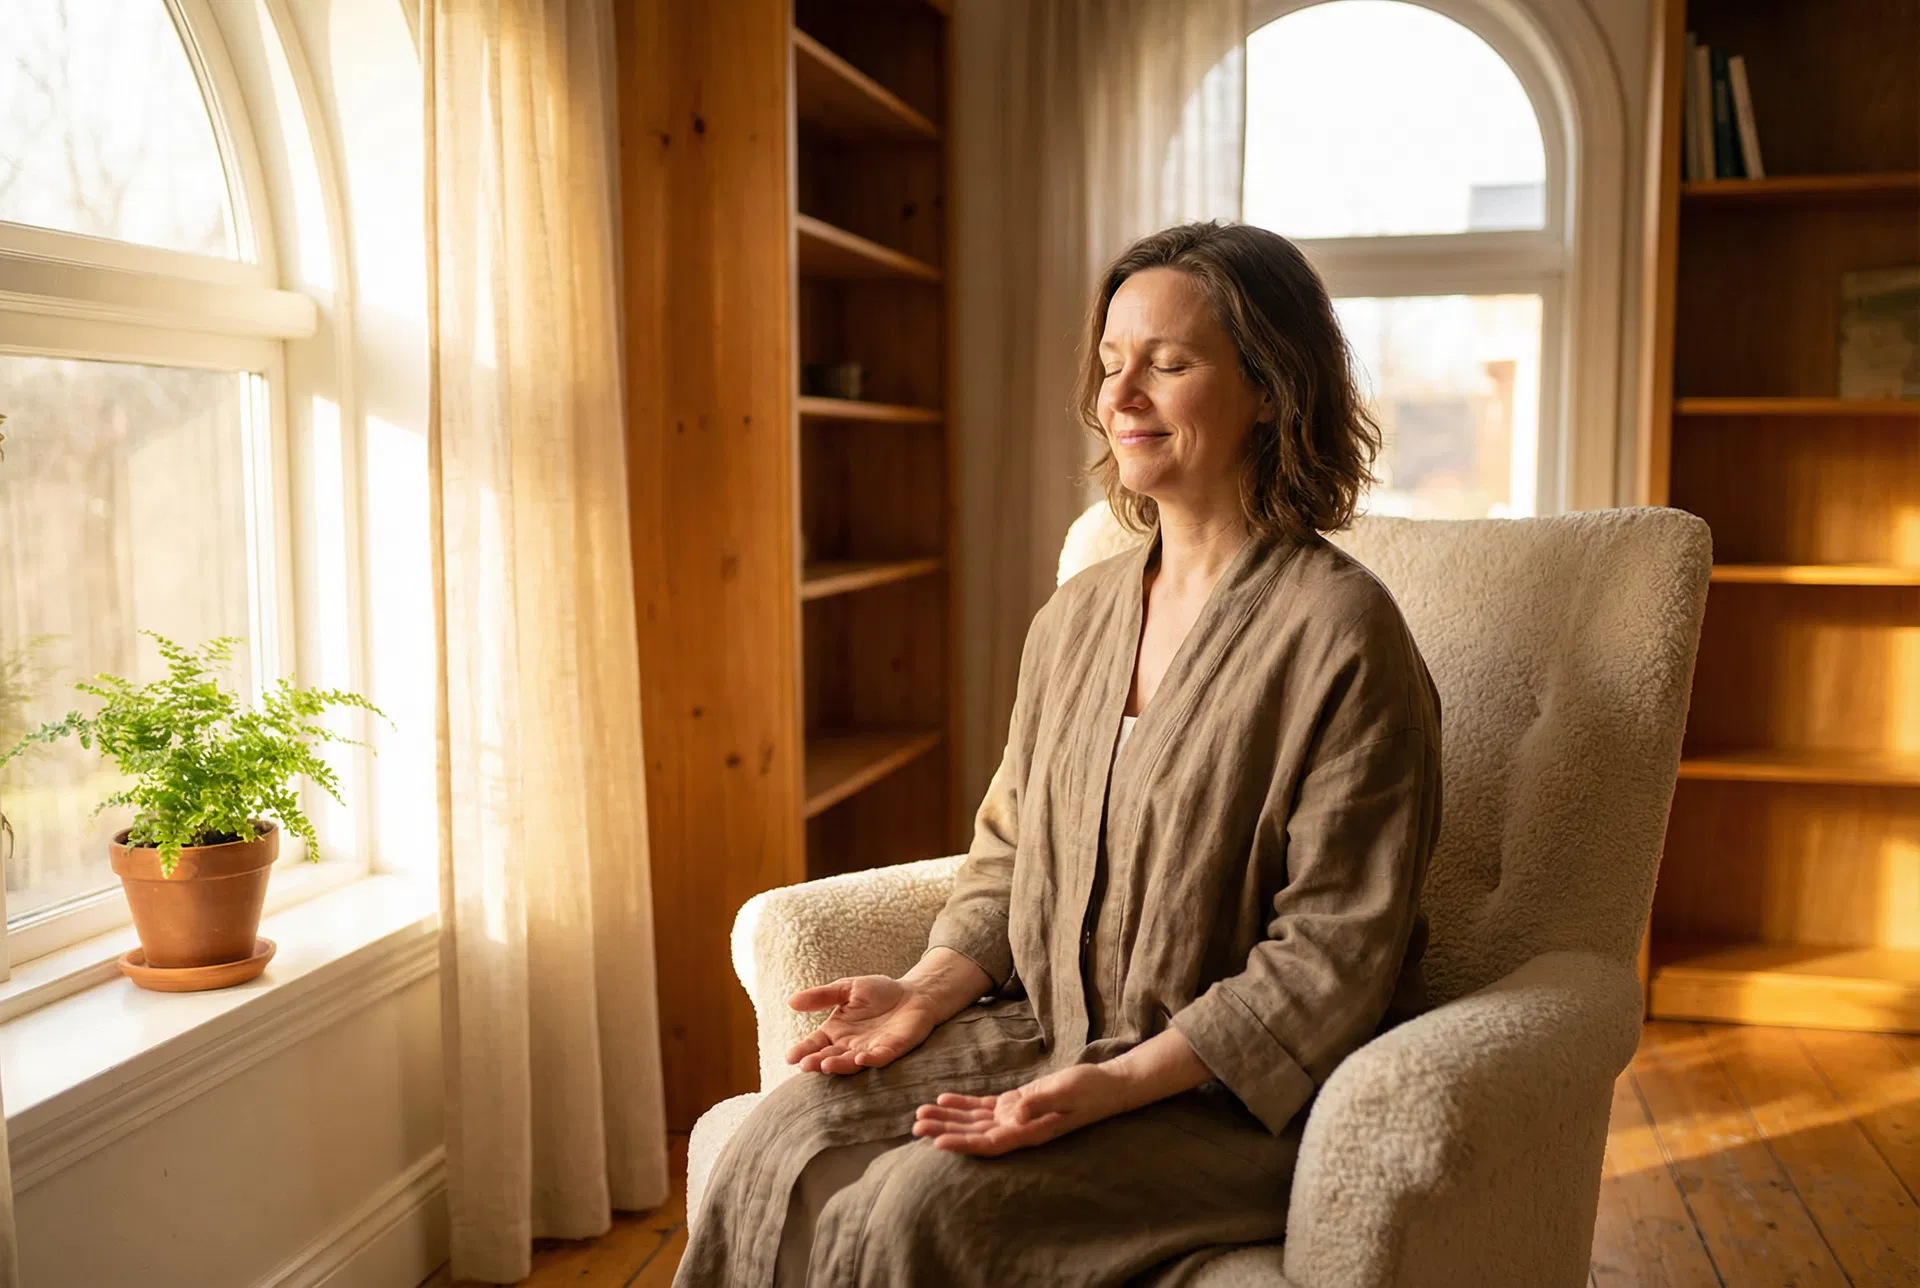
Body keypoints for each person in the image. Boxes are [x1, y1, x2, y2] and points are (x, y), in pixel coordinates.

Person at [673, 221, 1443, 1287]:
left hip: (1225, 1101)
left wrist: (1117, 1086)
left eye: (1168, 364)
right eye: (1111, 361)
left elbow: (1329, 962)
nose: (1120, 396)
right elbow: (1008, 852)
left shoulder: (1341, 636)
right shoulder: (1076, 619)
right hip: (1042, 1031)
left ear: (1271, 389)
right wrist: (930, 989)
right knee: (779, 1137)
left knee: (921, 1203)